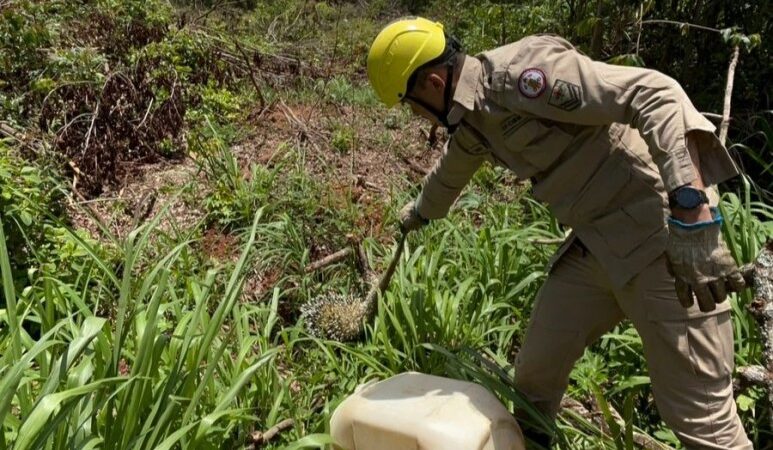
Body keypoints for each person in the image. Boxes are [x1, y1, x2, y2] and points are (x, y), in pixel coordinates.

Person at [366, 17, 751, 450]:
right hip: (596, 246)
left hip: (663, 241)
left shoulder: (519, 75)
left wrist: (692, 209)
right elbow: (448, 176)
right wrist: (417, 214)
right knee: (533, 382)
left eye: (409, 103)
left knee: (701, 420)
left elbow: (653, 92)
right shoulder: (474, 122)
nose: (414, 116)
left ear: (433, 83)